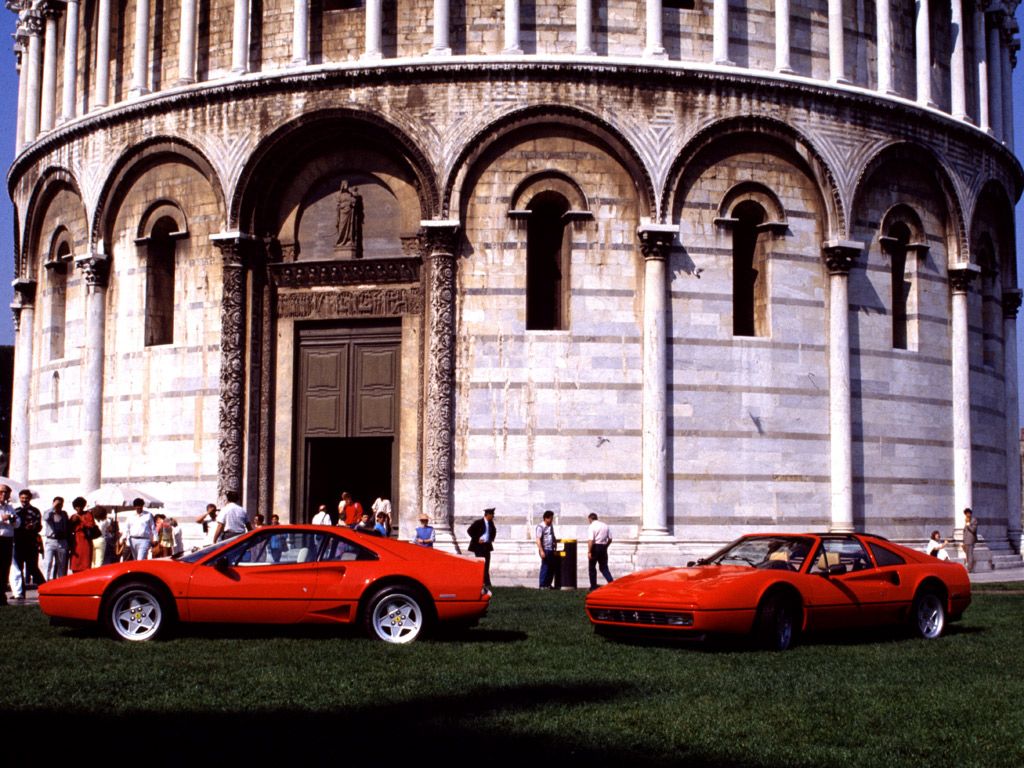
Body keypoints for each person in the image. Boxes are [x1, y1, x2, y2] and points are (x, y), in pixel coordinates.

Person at [11, 488, 43, 597]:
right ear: (20, 498)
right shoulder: (15, 511)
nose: (24, 500)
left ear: (30, 498)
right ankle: (20, 593)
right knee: (18, 569)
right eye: (22, 498)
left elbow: (39, 526)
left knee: (33, 568)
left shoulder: (35, 511)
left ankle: (44, 589)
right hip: (18, 543)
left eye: (26, 498)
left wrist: (33, 526)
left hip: (30, 543)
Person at [42, 497, 71, 578]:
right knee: (48, 563)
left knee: (61, 565)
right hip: (51, 541)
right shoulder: (49, 513)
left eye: (60, 504)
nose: (59, 506)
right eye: (57, 504)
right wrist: (53, 507)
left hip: (62, 541)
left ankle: (61, 582)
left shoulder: (64, 514)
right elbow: (45, 517)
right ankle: (46, 581)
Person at [468, 508, 497, 588]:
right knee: (481, 564)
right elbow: (469, 531)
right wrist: (477, 539)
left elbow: (494, 531)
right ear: (487, 515)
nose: (493, 516)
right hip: (479, 546)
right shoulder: (478, 522)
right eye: (492, 515)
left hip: (487, 546)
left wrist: (491, 538)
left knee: (487, 564)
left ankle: (487, 583)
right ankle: (482, 582)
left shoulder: (491, 523)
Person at [68, 497, 97, 572]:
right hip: (76, 542)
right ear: (74, 507)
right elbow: (69, 529)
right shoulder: (73, 517)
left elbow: (91, 525)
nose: (79, 508)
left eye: (81, 506)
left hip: (85, 540)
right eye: (77, 506)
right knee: (75, 564)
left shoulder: (88, 514)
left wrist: (80, 520)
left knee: (85, 563)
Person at [587, 512, 615, 589]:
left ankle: (593, 586)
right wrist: (606, 546)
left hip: (595, 547)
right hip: (603, 547)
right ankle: (611, 582)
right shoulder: (605, 525)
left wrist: (589, 551)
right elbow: (610, 539)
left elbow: (591, 540)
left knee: (592, 567)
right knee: (604, 567)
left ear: (590, 519)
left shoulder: (592, 526)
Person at [535, 510, 559, 589]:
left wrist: (555, 546)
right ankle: (542, 585)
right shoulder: (540, 527)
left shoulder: (550, 526)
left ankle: (548, 584)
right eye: (550, 518)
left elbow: (552, 536)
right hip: (545, 549)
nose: (552, 520)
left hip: (551, 549)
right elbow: (538, 539)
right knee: (545, 567)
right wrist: (541, 551)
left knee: (551, 567)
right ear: (545, 518)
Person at [0, 485, 15, 605]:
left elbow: (17, 522)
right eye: (1, 492)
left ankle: (2, 594)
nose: (3, 495)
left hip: (8, 539)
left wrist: (13, 519)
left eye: (6, 492)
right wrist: (2, 518)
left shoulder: (10, 507)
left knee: (5, 567)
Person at [962, 508, 978, 573]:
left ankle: (969, 569)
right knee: (967, 555)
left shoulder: (973, 520)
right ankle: (969, 567)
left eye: (968, 513)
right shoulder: (967, 520)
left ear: (970, 513)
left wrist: (968, 524)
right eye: (966, 513)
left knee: (970, 555)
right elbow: (965, 531)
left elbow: (973, 530)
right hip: (966, 540)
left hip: (970, 540)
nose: (967, 515)